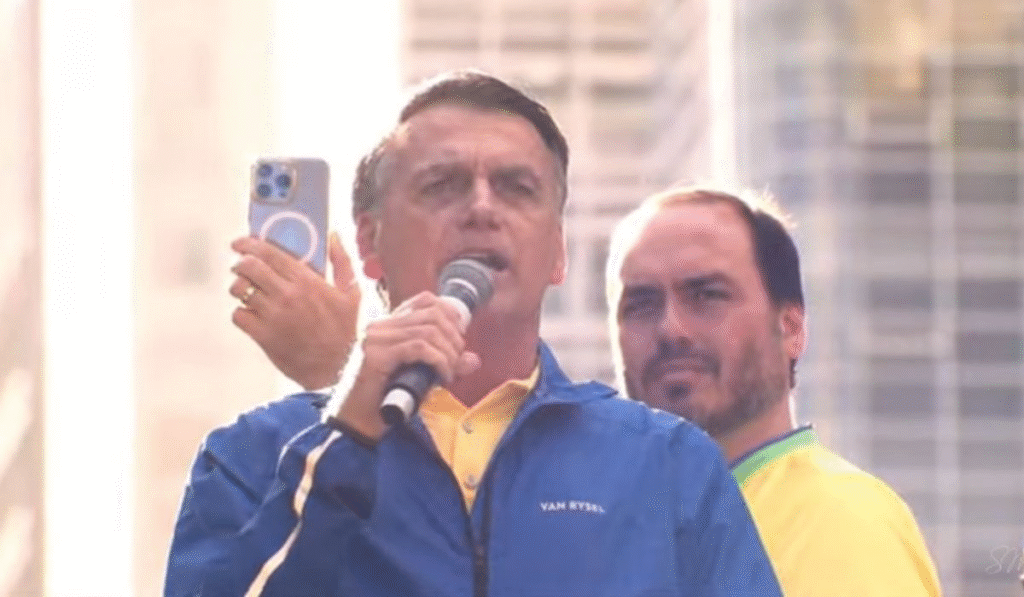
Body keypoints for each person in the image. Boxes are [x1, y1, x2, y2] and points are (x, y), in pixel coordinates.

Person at [164, 71, 783, 596]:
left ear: (558, 250)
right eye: (442, 185)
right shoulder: (249, 457)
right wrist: (349, 432)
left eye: (517, 188)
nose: (483, 208)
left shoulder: (669, 463)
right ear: (370, 243)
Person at [605, 186, 943, 596]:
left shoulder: (839, 522)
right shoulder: (609, 537)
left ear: (790, 329)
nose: (670, 328)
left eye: (707, 296)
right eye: (641, 305)